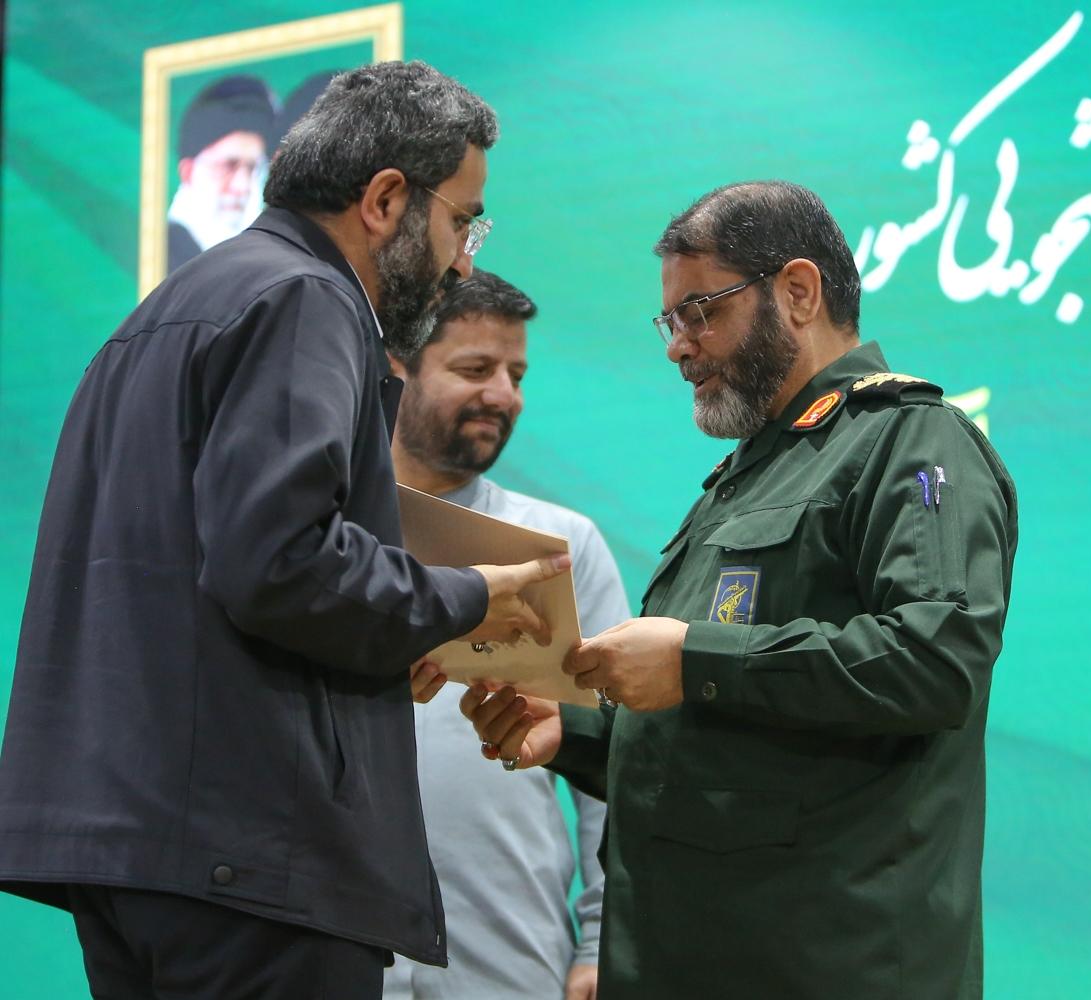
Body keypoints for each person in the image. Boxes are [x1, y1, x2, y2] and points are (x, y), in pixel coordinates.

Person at [0, 61, 566, 1000]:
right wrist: (462, 599)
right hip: (256, 861)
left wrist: (379, 641)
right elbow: (280, 560)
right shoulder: (307, 299)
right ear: (386, 200)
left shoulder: (161, 315)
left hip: (139, 853)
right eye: (463, 221)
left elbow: (209, 577)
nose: (465, 259)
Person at [464, 181, 1019, 999]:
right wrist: (574, 729)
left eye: (700, 313)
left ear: (797, 292)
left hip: (829, 970)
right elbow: (726, 744)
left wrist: (695, 659)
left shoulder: (914, 442)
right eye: (671, 322)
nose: (679, 348)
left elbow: (936, 660)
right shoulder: (745, 477)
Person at [384, 271, 627, 1000]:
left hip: (510, 956)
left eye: (515, 374)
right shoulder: (318, 544)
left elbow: (613, 758)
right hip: (329, 949)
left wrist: (601, 941)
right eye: (475, 369)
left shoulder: (561, 548)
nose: (504, 394)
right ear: (396, 369)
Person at [167, 75, 275, 273]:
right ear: (188, 172)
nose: (242, 186)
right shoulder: (162, 255)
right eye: (228, 166)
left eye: (252, 168)